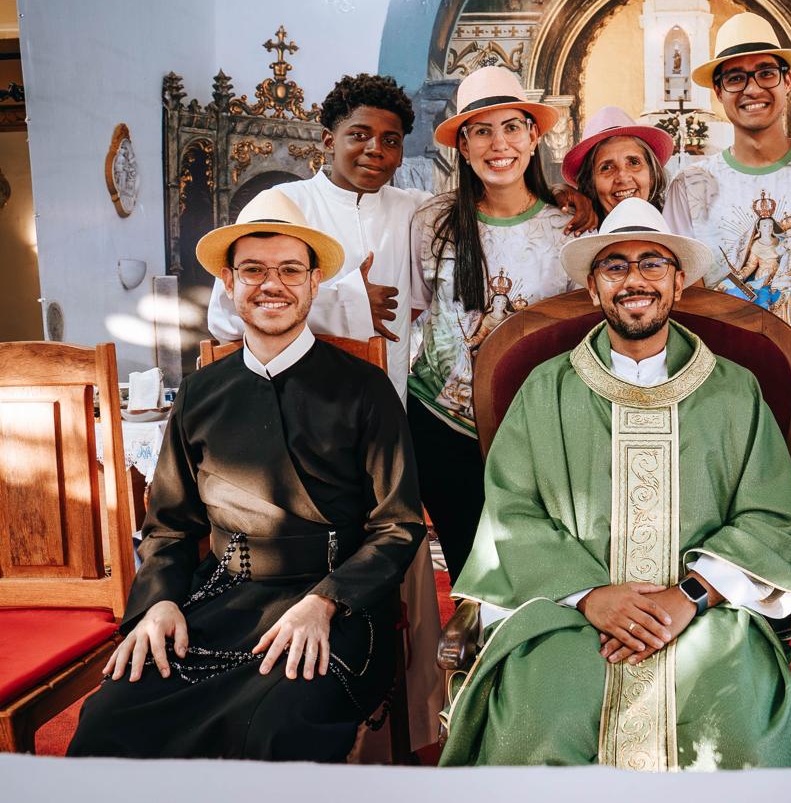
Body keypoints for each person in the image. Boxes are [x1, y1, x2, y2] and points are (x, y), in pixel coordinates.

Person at [439, 198, 791, 768]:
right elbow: (512, 516)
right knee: (538, 726)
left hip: (708, 616)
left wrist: (689, 596)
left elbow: (773, 518)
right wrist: (591, 595)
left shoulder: (733, 390)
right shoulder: (545, 390)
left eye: (653, 264)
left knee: (737, 734)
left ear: (677, 284)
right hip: (570, 617)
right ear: (594, 288)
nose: (635, 280)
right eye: (615, 267)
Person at [69, 192, 427, 761]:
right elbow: (168, 526)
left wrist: (326, 602)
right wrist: (159, 602)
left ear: (314, 284)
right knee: (110, 716)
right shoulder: (200, 393)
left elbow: (398, 526)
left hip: (334, 603)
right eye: (253, 271)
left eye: (289, 270)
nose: (271, 285)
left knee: (276, 727)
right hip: (222, 599)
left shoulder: (364, 388)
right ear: (230, 286)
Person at [664, 11, 791, 758]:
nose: (751, 87)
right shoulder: (689, 184)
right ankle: (742, 708)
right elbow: (682, 299)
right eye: (735, 76)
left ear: (787, 82)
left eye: (765, 72)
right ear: (718, 93)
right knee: (732, 553)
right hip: (726, 412)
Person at [407, 66, 575, 582]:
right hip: (444, 427)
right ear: (462, 144)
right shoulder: (432, 223)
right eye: (481, 130)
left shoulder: (568, 227)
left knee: (535, 574)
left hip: (538, 429)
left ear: (533, 136)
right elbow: (418, 314)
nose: (497, 144)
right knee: (469, 577)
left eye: (511, 127)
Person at [207, 73, 429, 403]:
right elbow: (225, 316)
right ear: (328, 141)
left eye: (391, 141)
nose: (375, 149)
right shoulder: (282, 204)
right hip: (294, 399)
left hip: (386, 400)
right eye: (359, 135)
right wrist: (348, 303)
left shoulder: (412, 209)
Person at [562, 105, 674, 217]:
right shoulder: (570, 229)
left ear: (652, 176)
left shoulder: (676, 225)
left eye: (634, 163)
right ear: (590, 184)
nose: (623, 178)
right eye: (606, 168)